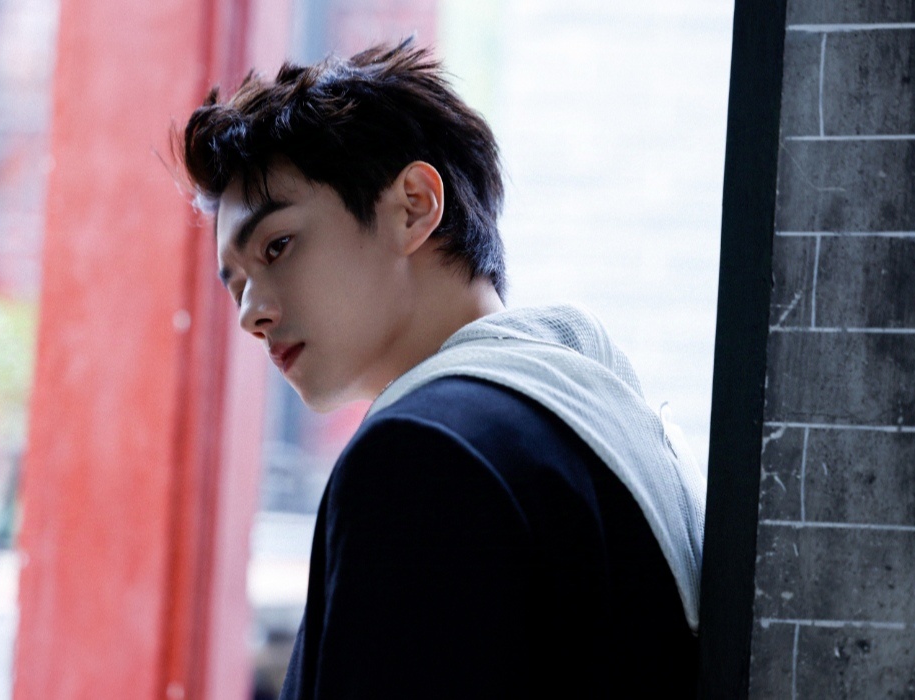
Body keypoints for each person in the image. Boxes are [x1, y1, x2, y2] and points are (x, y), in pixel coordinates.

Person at [180, 39, 706, 699]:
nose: (250, 315)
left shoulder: (423, 452)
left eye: (277, 246)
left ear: (414, 206)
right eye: (235, 285)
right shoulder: (604, 421)